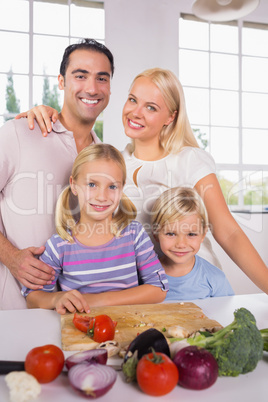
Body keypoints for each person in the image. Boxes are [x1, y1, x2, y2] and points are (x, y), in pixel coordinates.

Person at [17, 68, 268, 294]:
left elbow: (230, 233)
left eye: (151, 107)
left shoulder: (190, 160)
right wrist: (48, 116)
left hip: (194, 286)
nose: (135, 112)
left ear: (170, 117)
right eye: (133, 100)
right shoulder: (115, 163)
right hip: (144, 293)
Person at [0, 38, 114, 309]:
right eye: (80, 75)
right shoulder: (19, 133)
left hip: (82, 315)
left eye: (102, 78)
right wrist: (10, 256)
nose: (92, 88)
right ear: (61, 81)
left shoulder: (105, 160)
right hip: (15, 311)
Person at [22, 144, 168, 314]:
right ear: (74, 185)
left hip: (131, 327)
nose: (102, 196)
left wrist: (98, 300)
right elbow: (33, 298)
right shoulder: (59, 245)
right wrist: (56, 298)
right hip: (79, 332)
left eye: (112, 186)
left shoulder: (134, 234)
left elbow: (159, 289)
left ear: (121, 189)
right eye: (92, 184)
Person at [151, 187, 234, 301]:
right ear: (155, 234)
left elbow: (228, 314)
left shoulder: (215, 278)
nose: (181, 244)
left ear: (203, 235)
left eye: (191, 234)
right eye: (171, 234)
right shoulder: (145, 275)